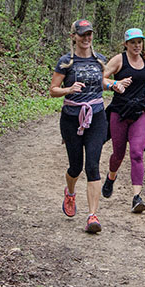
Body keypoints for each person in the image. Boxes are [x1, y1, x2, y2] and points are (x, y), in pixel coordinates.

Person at [49, 19, 126, 234]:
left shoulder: (99, 60)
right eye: (82, 34)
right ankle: (70, 193)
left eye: (89, 34)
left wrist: (114, 85)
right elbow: (53, 89)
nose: (86, 38)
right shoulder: (65, 62)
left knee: (92, 165)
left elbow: (102, 82)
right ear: (74, 36)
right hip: (71, 117)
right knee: (76, 166)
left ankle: (93, 215)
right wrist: (69, 89)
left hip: (97, 117)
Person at [101, 27, 145, 213]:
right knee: (118, 154)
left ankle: (136, 198)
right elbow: (102, 78)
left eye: (139, 42)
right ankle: (111, 177)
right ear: (126, 44)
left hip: (140, 112)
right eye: (133, 42)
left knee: (137, 153)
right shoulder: (119, 59)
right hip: (120, 112)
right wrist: (115, 84)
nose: (137, 45)